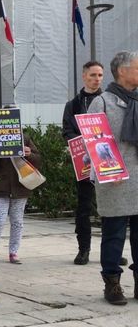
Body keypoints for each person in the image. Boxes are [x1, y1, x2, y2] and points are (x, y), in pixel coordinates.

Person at [62, 61, 128, 266]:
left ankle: (113, 251)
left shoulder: (111, 100)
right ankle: (84, 249)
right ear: (84, 76)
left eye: (99, 75)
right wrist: (84, 142)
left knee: (112, 208)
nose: (96, 79)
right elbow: (67, 131)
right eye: (92, 75)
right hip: (85, 161)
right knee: (84, 207)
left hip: (107, 160)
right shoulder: (73, 104)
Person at [88, 51, 138, 305]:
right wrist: (110, 169)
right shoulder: (103, 102)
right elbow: (95, 140)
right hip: (116, 177)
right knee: (114, 234)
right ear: (123, 71)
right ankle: (112, 284)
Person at [0, 135, 40, 265]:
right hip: (0, 187)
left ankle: (14, 252)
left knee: (17, 221)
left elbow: (38, 161)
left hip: (20, 187)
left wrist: (30, 154)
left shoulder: (25, 139)